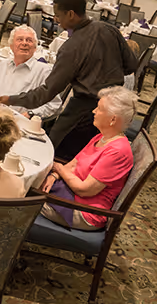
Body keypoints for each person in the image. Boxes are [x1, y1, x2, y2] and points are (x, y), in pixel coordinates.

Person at [0, 0, 137, 160]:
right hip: (114, 114)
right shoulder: (110, 29)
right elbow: (131, 66)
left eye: (58, 15)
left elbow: (47, 92)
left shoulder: (71, 48)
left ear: (70, 14)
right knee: (90, 158)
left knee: (51, 151)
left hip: (84, 113)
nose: (56, 19)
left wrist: (10, 99)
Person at [38, 86, 136, 230]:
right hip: (69, 193)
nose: (94, 111)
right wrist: (54, 175)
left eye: (99, 109)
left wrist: (58, 167)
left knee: (23, 196)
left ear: (112, 119)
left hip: (84, 211)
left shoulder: (118, 151)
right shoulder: (102, 137)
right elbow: (73, 165)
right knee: (32, 183)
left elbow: (84, 190)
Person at [0, 25, 62, 119]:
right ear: (11, 46)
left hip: (18, 123)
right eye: (20, 39)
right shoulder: (3, 65)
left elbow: (55, 104)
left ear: (35, 48)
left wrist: (31, 114)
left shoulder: (44, 71)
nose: (24, 43)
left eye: (29, 40)